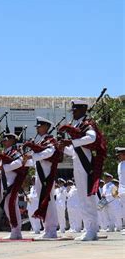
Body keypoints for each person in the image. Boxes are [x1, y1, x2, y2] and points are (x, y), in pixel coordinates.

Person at [59, 100, 106, 241]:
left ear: (82, 110)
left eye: (75, 110)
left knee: (87, 198)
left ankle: (91, 230)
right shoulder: (78, 125)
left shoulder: (87, 124)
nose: (73, 113)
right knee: (82, 198)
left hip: (86, 164)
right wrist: (63, 148)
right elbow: (76, 150)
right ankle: (88, 228)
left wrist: (72, 142)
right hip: (78, 163)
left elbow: (92, 138)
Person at [23, 117, 59, 239]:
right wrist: (27, 159)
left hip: (47, 175)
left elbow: (49, 152)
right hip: (40, 174)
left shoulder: (50, 140)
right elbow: (35, 159)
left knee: (48, 201)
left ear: (46, 127)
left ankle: (52, 229)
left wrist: (34, 156)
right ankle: (47, 228)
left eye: (39, 126)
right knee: (42, 200)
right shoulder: (40, 142)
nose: (37, 128)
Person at [0, 133, 28, 240]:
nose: (4, 141)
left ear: (12, 140)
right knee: (7, 207)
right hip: (5, 182)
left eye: (6, 139)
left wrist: (5, 168)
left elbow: (19, 163)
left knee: (12, 206)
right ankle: (14, 229)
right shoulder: (4, 152)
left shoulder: (14, 152)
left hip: (12, 182)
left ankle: (16, 230)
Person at [116, 147, 125, 234]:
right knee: (123, 209)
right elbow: (120, 179)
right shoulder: (120, 164)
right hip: (122, 190)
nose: (119, 156)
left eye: (120, 155)